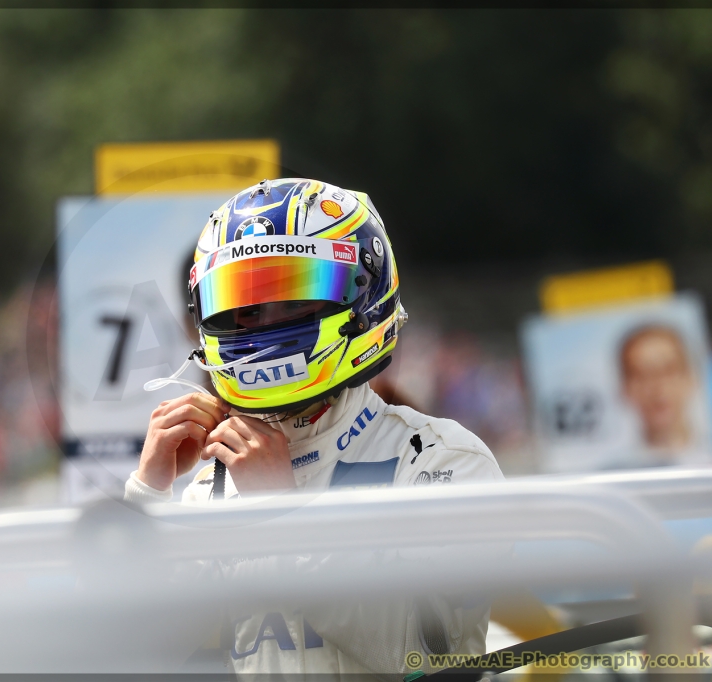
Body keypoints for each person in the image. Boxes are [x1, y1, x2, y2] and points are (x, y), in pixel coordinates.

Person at [123, 178, 504, 675]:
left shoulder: (442, 459)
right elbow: (141, 652)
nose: (261, 325)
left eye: (292, 296)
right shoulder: (215, 483)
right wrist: (147, 497)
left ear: (363, 294)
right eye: (243, 306)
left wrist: (283, 520)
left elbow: (425, 661)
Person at [618, 324, 709, 466]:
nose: (658, 388)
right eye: (642, 375)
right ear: (625, 389)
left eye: (668, 371)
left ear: (691, 378)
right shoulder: (614, 473)